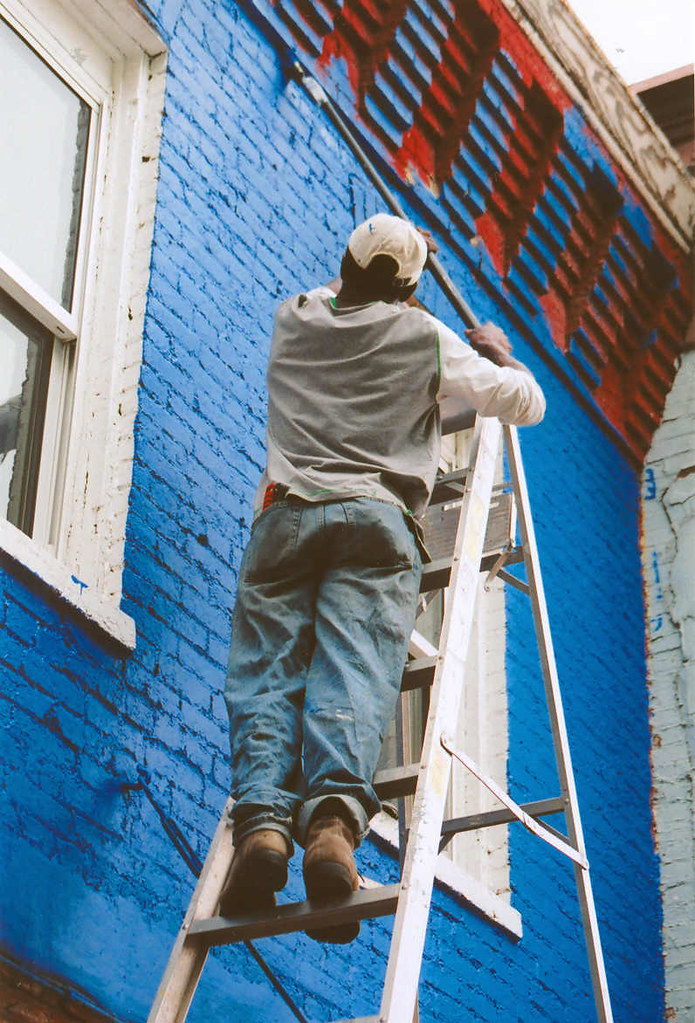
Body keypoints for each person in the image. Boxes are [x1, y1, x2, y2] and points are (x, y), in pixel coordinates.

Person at [221, 214, 545, 941]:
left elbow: (348, 305)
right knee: (355, 669)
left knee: (266, 673)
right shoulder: (425, 339)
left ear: (344, 262)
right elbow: (525, 404)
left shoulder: (295, 317)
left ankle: (263, 828)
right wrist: (501, 357)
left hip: (284, 518)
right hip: (376, 521)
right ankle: (332, 824)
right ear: (408, 288)